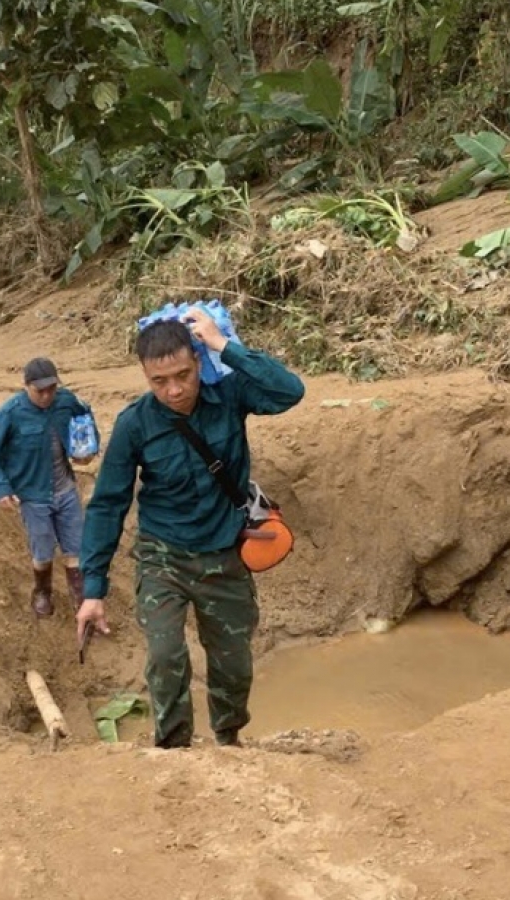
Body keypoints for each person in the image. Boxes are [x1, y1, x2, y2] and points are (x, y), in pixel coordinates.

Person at [77, 308, 304, 749]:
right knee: (165, 657)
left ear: (199, 361)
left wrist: (224, 345)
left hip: (224, 552)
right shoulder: (134, 424)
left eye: (183, 374)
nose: (174, 390)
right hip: (165, 555)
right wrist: (93, 589)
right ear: (145, 376)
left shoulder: (231, 396)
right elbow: (108, 505)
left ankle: (228, 738)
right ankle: (173, 747)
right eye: (159, 381)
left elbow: (289, 391)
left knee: (233, 663)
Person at [0, 358, 101, 617]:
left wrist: (88, 449)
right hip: (33, 495)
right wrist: (2, 488)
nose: (47, 396)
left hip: (66, 489)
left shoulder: (66, 401)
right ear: (26, 387)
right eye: (40, 391)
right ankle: (42, 591)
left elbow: (86, 419)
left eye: (51, 389)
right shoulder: (11, 412)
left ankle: (81, 601)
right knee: (43, 551)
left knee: (76, 549)